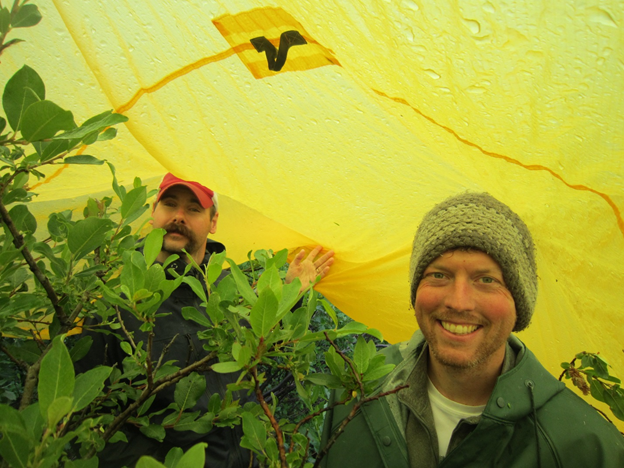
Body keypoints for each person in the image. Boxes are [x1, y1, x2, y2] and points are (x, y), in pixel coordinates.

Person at [320, 192, 624, 468]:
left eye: (486, 280)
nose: (459, 302)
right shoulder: (355, 389)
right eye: (439, 275)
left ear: (519, 303)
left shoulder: (586, 448)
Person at [76, 173, 334, 468]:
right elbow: (87, 423)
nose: (179, 217)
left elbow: (256, 339)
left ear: (213, 222)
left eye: (194, 209)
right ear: (152, 213)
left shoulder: (231, 292)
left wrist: (290, 294)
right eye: (170, 204)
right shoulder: (116, 306)